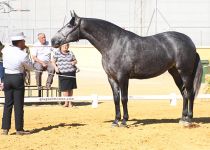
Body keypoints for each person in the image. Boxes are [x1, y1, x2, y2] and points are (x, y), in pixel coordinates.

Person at [1, 32, 34, 135]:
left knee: (8, 104)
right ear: (19, 42)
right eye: (23, 41)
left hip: (7, 77)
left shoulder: (5, 50)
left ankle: (5, 129)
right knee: (18, 105)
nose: (25, 43)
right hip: (17, 78)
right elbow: (31, 68)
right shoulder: (23, 54)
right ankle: (19, 129)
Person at [52, 43, 77, 107]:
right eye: (64, 46)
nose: (66, 47)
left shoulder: (71, 52)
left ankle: (70, 103)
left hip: (71, 72)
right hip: (62, 73)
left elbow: (75, 60)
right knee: (65, 88)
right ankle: (66, 102)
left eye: (67, 46)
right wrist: (55, 67)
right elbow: (53, 61)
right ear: (60, 46)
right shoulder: (57, 53)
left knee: (70, 88)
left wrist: (74, 62)